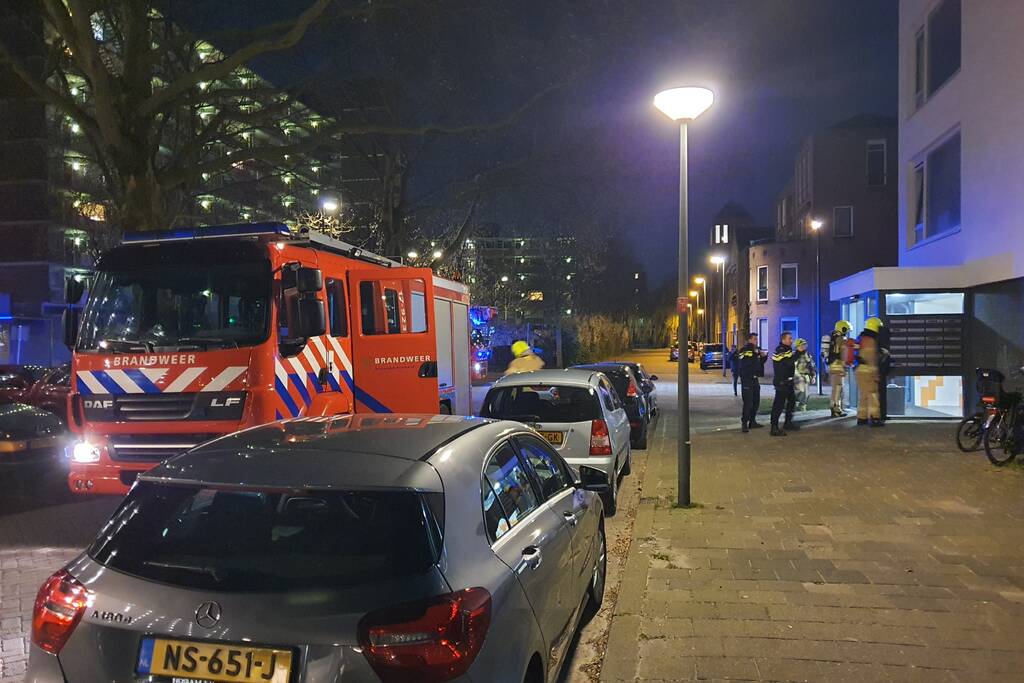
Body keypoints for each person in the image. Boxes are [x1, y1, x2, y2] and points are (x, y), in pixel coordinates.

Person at [855, 318, 884, 426]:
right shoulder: (871, 341)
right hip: (868, 371)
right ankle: (874, 417)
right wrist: (875, 374)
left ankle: (862, 418)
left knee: (864, 395)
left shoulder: (861, 338)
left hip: (860, 370)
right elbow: (871, 359)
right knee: (873, 394)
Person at [770, 332, 799, 436]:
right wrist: (798, 353)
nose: (791, 340)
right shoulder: (780, 350)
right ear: (783, 340)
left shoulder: (787, 350)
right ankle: (774, 427)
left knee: (791, 402)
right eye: (789, 338)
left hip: (788, 381)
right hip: (782, 382)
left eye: (791, 338)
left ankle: (788, 423)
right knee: (778, 405)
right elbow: (788, 362)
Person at [737, 333, 766, 432]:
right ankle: (744, 423)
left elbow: (759, 363)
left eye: (756, 339)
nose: (756, 341)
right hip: (747, 379)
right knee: (748, 403)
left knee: (756, 401)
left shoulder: (756, 350)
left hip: (754, 379)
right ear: (749, 340)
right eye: (754, 339)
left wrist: (763, 357)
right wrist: (756, 354)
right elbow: (746, 362)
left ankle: (752, 421)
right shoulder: (745, 350)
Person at [827, 320, 852, 417]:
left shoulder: (833, 337)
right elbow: (844, 355)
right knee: (838, 388)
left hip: (833, 366)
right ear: (843, 328)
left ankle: (836, 408)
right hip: (838, 366)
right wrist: (844, 367)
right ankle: (836, 409)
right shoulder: (841, 339)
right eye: (847, 330)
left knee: (836, 388)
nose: (847, 332)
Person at [793, 338, 817, 411]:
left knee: (806, 394)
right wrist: (798, 376)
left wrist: (813, 376)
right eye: (801, 345)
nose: (803, 347)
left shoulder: (808, 355)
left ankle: (802, 408)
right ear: (797, 346)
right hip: (797, 377)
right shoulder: (794, 355)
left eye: (804, 345)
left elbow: (812, 366)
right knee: (799, 391)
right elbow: (792, 367)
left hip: (806, 377)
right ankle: (795, 405)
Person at [876, 320, 892, 422]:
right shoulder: (883, 343)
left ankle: (880, 415)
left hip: (877, 371)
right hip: (881, 372)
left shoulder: (876, 341)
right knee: (881, 395)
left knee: (878, 395)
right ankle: (881, 415)